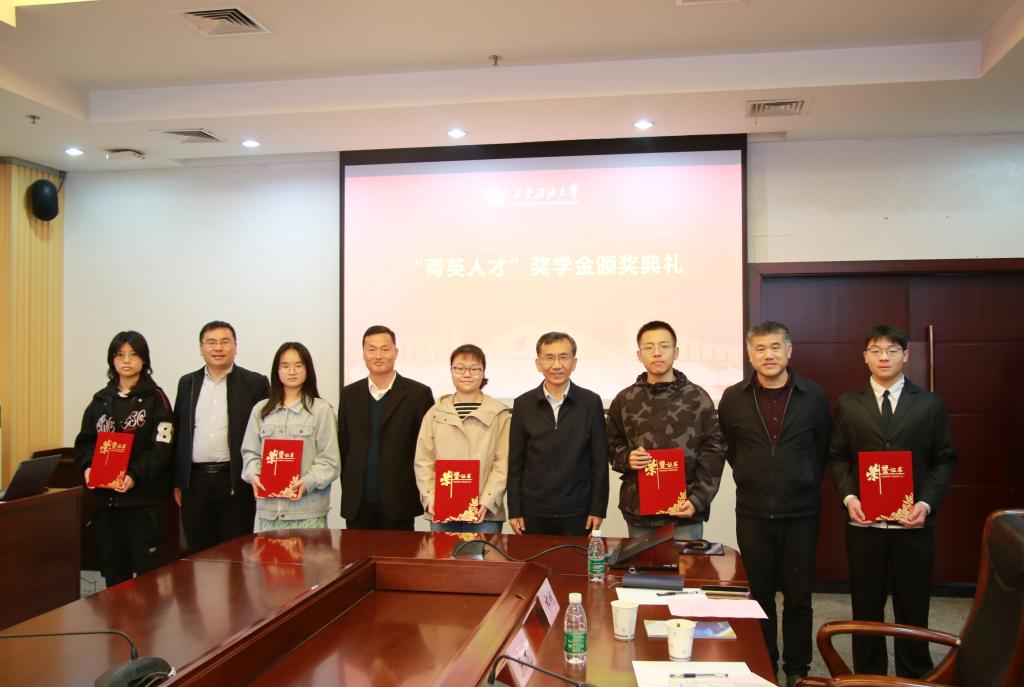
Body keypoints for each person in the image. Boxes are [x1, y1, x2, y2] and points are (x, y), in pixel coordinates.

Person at [831, 324, 956, 678]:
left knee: (913, 603)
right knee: (865, 603)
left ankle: (913, 675)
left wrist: (926, 503)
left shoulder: (929, 403)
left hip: (913, 523)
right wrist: (849, 497)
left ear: (906, 355)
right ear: (865, 357)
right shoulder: (848, 403)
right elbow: (837, 457)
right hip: (864, 523)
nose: (883, 357)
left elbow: (944, 459)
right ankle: (868, 675)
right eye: (875, 350)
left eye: (892, 350)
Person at [718, 321, 832, 687]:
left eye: (775, 347)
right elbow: (731, 448)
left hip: (801, 511)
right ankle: (764, 662)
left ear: (789, 351)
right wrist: (752, 473)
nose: (768, 355)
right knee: (760, 594)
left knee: (798, 596)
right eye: (760, 348)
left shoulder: (813, 396)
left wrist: (801, 476)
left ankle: (797, 668)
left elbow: (822, 447)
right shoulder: (733, 397)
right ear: (750, 355)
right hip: (752, 510)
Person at [607, 320, 725, 541]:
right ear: (639, 354)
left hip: (685, 511)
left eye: (664, 346)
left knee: (687, 564)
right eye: (648, 347)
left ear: (676, 352)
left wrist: (698, 499)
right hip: (639, 511)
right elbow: (611, 445)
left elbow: (714, 451)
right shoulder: (624, 399)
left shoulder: (698, 397)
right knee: (642, 565)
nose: (657, 353)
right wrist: (627, 457)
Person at [73, 331, 174, 587]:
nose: (126, 360)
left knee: (149, 577)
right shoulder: (100, 400)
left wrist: (134, 475)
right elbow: (85, 441)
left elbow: (162, 447)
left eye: (133, 354)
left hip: (143, 502)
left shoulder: (156, 398)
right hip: (107, 503)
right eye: (119, 355)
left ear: (144, 359)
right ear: (112, 360)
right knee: (114, 572)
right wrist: (88, 467)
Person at [173, 321, 270, 553]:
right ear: (201, 348)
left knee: (237, 554)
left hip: (236, 482)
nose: (218, 348)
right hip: (195, 482)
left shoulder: (255, 383)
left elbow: (267, 433)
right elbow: (179, 433)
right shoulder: (188, 383)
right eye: (211, 342)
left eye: (225, 342)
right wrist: (178, 480)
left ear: (235, 346)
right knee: (199, 554)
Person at [507, 331, 608, 536]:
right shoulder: (523, 404)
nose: (556, 365)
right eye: (549, 358)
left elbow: (599, 460)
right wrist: (514, 509)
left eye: (563, 357)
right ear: (538, 363)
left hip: (578, 511)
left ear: (574, 362)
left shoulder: (591, 402)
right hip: (533, 511)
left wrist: (598, 509)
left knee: (574, 558)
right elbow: (516, 461)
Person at [338, 325, 434, 530]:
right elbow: (344, 446)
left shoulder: (418, 394)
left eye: (384, 349)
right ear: (363, 353)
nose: (378, 355)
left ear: (395, 352)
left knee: (399, 552)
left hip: (399, 501)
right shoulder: (349, 395)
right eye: (371, 349)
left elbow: (426, 449)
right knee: (356, 552)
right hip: (358, 502)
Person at [241, 342, 340, 531]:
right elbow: (250, 453)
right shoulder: (261, 410)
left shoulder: (321, 410)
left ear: (307, 369)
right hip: (270, 512)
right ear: (277, 370)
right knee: (268, 553)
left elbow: (330, 461)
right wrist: (254, 475)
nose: (292, 371)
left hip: (308, 511)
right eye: (285, 366)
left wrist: (307, 482)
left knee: (310, 553)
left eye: (298, 365)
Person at [413, 344, 511, 533]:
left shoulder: (499, 413)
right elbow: (423, 460)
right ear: (451, 371)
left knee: (481, 554)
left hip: (484, 513)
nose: (467, 374)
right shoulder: (435, 412)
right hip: (442, 509)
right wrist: (430, 498)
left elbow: (503, 463)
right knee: (443, 553)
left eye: (474, 369)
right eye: (459, 368)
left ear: (483, 372)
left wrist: (488, 500)